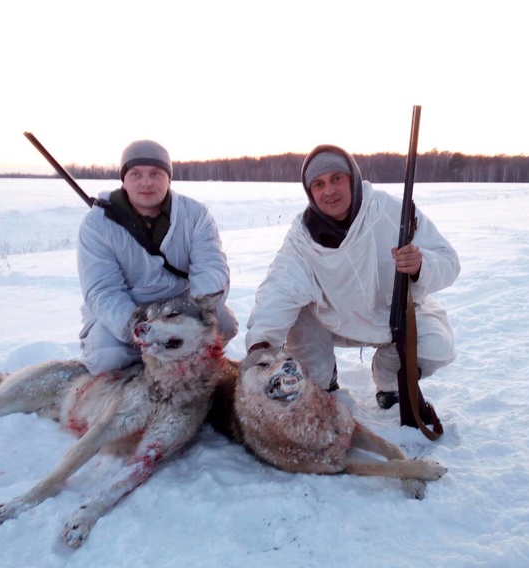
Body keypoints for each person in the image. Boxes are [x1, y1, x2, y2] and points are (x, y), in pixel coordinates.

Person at [244, 144, 459, 426]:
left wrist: (421, 266)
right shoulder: (302, 237)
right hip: (332, 318)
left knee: (437, 346)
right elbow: (279, 289)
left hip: (392, 318)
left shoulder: (394, 212)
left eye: (336, 179)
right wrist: (261, 344)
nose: (328, 191)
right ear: (310, 192)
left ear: (353, 179)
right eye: (318, 184)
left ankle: (389, 380)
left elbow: (449, 263)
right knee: (301, 329)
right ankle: (322, 377)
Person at [77, 139, 238, 375]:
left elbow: (212, 268)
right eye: (136, 174)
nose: (146, 182)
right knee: (107, 358)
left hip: (179, 307)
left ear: (169, 178)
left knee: (224, 325)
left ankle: (183, 365)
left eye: (156, 173)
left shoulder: (195, 215)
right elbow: (102, 290)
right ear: (124, 179)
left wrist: (191, 315)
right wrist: (137, 326)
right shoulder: (96, 224)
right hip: (129, 312)